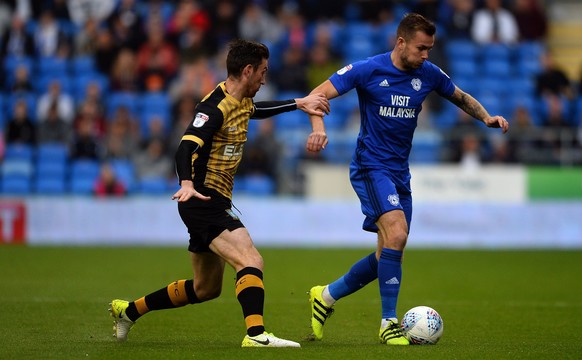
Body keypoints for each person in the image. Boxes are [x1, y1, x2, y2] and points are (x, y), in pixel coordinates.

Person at [109, 39, 329, 348]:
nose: (265, 79)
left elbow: (256, 110)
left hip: (213, 200)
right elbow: (185, 147)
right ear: (248, 70)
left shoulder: (239, 101)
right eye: (262, 72)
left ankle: (128, 311)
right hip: (202, 199)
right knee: (250, 259)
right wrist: (186, 183)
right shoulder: (213, 108)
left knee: (206, 288)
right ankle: (255, 335)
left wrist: (298, 103)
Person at [304, 13, 509, 345]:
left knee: (388, 252)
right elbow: (317, 95)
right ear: (401, 43)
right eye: (421, 48)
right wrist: (318, 129)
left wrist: (486, 117)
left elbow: (460, 96)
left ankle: (325, 296)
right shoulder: (368, 69)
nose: (426, 55)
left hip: (400, 172)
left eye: (429, 49)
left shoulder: (427, 73)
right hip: (371, 167)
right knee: (397, 234)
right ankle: (388, 323)